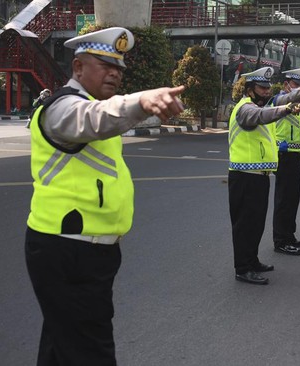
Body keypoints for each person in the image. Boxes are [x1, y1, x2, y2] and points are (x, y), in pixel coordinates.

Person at [25, 27, 185, 365]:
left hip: (87, 249)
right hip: (69, 248)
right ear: (79, 67)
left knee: (62, 342)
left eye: (119, 69)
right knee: (90, 350)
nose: (114, 74)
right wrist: (140, 100)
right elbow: (93, 119)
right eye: (104, 65)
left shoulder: (91, 105)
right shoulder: (63, 108)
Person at [228, 66, 300, 285]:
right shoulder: (245, 109)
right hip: (243, 176)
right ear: (250, 89)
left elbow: (286, 98)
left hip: (260, 175)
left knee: (256, 223)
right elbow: (262, 116)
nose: (267, 92)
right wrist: (287, 110)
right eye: (262, 88)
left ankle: (252, 261)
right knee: (245, 225)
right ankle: (242, 268)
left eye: (268, 88)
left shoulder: (264, 103)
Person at [272, 68, 300, 255]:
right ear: (286, 85)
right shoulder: (279, 102)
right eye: (296, 86)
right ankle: (280, 240)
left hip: (295, 155)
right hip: (284, 155)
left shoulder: (297, 104)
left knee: (293, 197)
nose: (299, 90)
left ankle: (289, 235)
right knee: (284, 199)